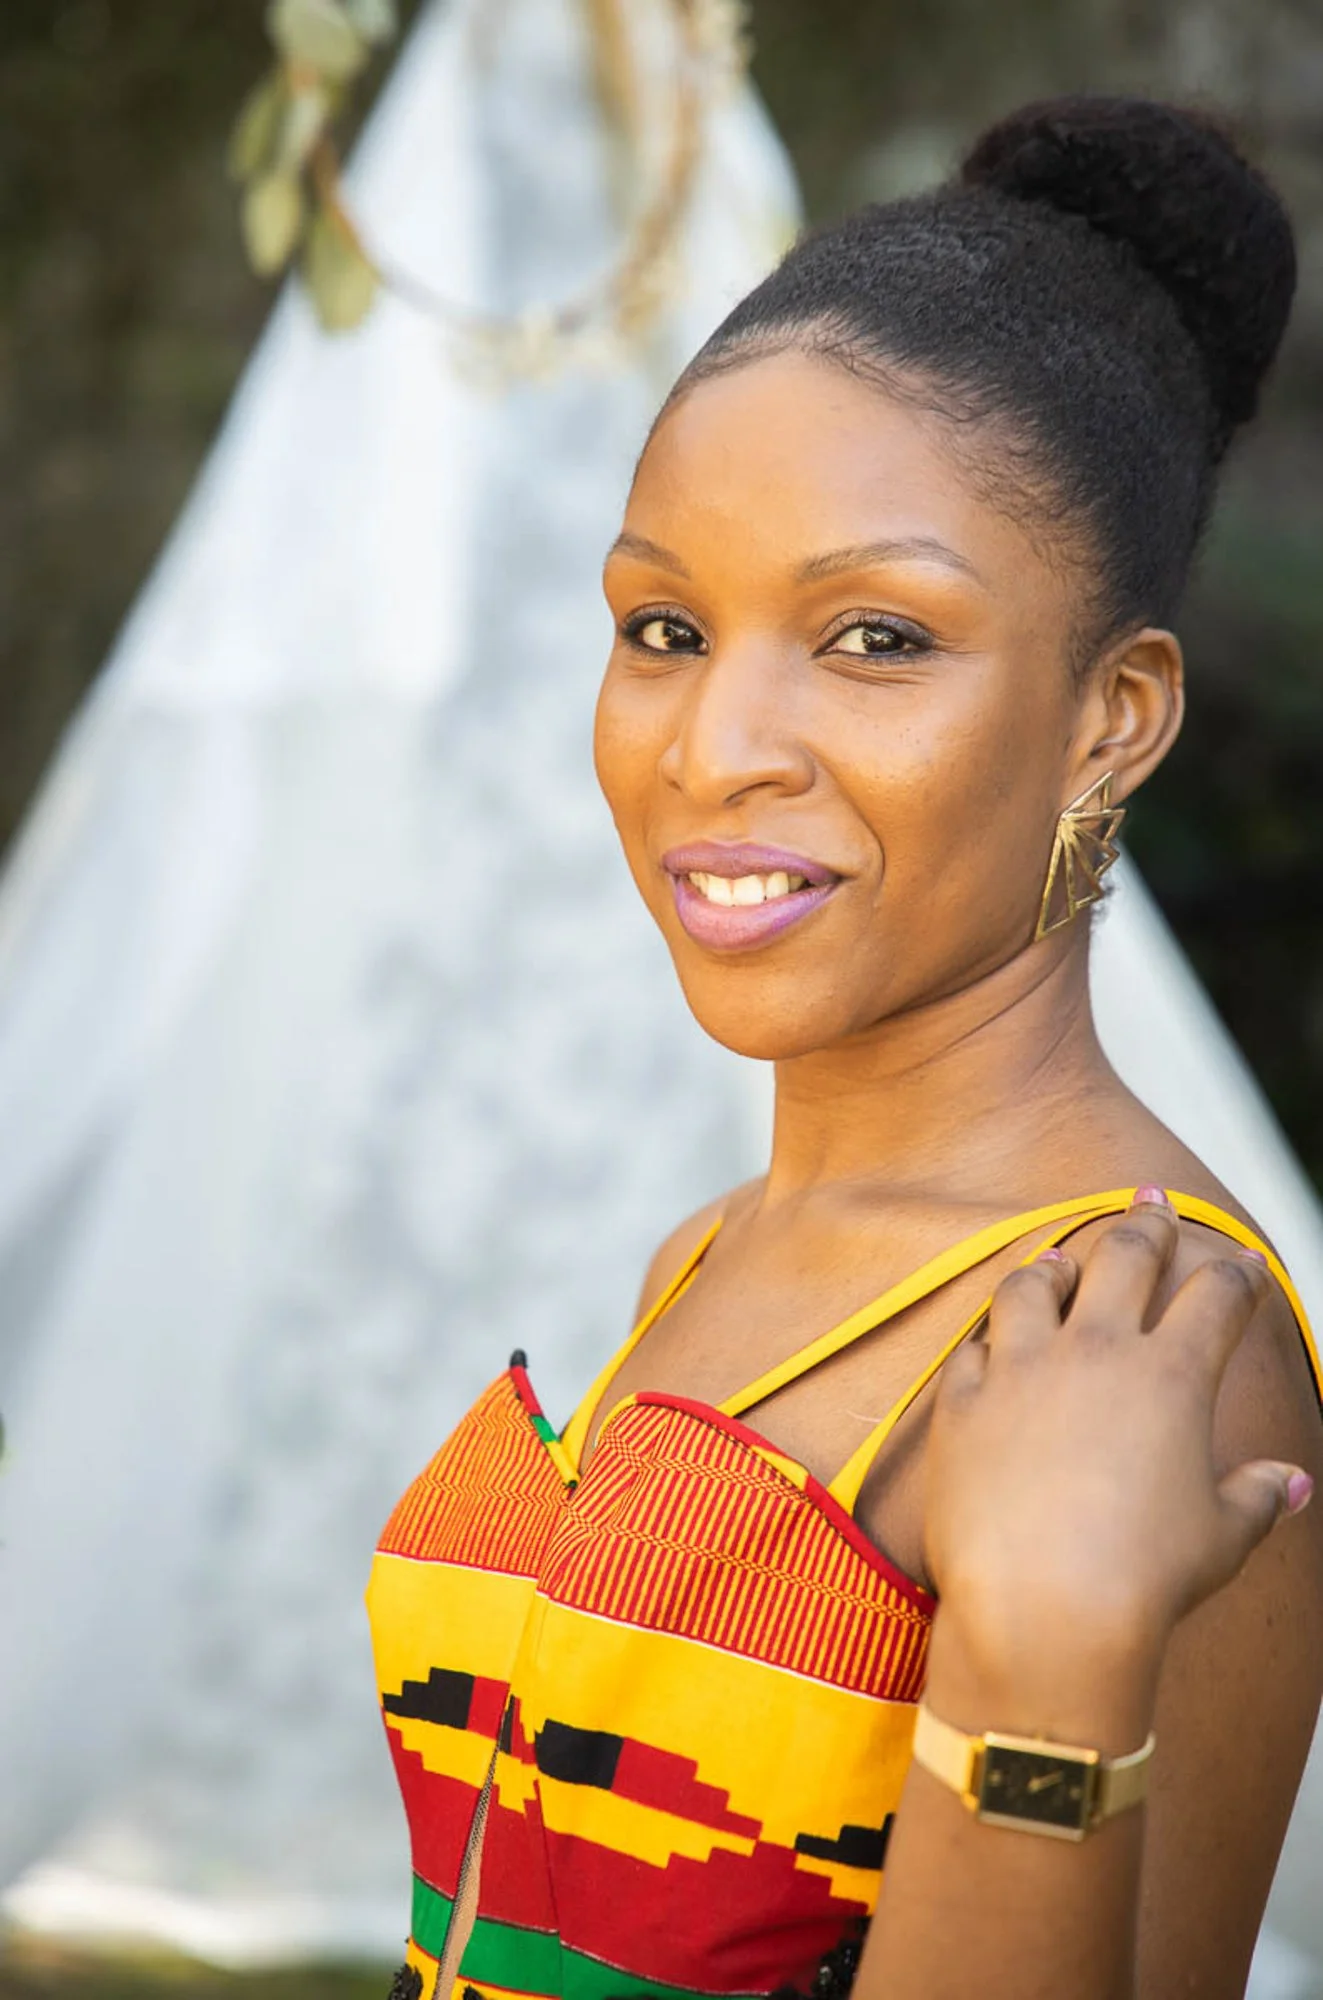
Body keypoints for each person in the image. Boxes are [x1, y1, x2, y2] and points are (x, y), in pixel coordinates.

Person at [366, 96, 1323, 2000]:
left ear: (1111, 719)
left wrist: (1047, 1657)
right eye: (660, 624)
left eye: (875, 638)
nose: (712, 746)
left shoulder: (1152, 1344)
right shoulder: (708, 1256)